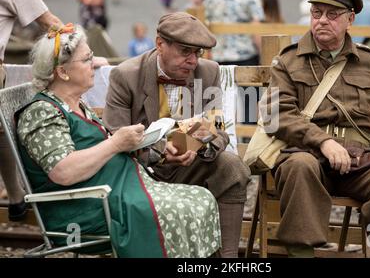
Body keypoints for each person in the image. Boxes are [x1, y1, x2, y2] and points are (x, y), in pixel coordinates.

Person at [16, 24, 221, 258]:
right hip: (88, 208)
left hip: (118, 192)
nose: (94, 64)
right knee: (183, 208)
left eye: (91, 57)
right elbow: (63, 171)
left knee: (201, 200)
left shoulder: (76, 104)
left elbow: (218, 125)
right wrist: (116, 143)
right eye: (86, 60)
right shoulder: (42, 112)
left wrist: (149, 146)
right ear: (62, 72)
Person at [258, 0, 370, 258]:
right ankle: (302, 253)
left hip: (360, 162)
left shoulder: (369, 63)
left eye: (332, 14)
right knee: (298, 167)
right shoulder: (288, 61)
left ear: (350, 20)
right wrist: (323, 142)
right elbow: (277, 115)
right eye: (316, 12)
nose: (322, 20)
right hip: (308, 155)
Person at [102, 12, 251, 257]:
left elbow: (220, 131)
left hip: (188, 166)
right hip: (141, 172)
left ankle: (229, 258)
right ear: (160, 44)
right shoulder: (125, 75)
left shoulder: (209, 71)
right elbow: (114, 138)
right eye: (185, 51)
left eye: (198, 52)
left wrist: (200, 144)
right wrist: (159, 152)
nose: (193, 60)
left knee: (232, 167)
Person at [0, 0, 63, 222]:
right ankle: (16, 197)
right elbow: (50, 23)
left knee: (1, 127)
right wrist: (79, 48)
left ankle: (15, 197)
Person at [204, 0, 264, 66]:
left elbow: (205, 24)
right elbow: (256, 28)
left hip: (217, 56)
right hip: (245, 56)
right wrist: (262, 54)